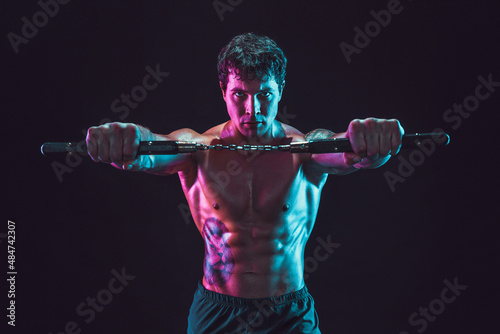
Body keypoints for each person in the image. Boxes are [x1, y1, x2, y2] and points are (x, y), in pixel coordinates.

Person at [86, 32, 404, 333]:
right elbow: (150, 151)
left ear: (280, 91)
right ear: (224, 92)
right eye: (240, 94)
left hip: (288, 313)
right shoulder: (200, 149)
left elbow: (348, 152)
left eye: (264, 94)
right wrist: (127, 139)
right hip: (217, 311)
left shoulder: (303, 151)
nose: (252, 109)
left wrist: (369, 143)